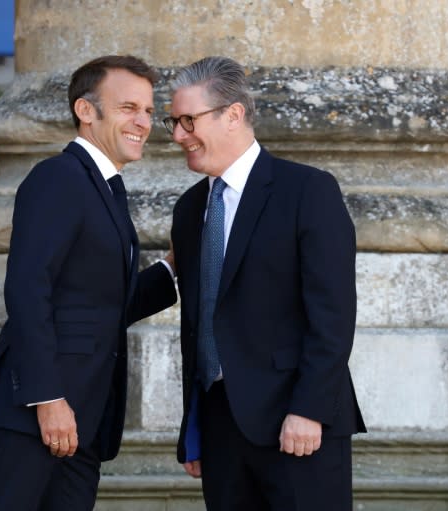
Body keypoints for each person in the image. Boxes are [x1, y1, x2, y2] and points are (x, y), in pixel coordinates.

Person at [0, 55, 177, 511]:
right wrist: (48, 397)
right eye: (128, 108)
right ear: (86, 110)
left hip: (84, 418)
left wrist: (173, 272)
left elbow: (100, 304)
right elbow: (27, 289)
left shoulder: (104, 189)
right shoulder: (58, 178)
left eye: (147, 111)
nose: (143, 122)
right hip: (39, 411)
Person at [164, 56, 366, 510]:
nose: (178, 135)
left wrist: (309, 409)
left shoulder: (307, 191)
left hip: (297, 424)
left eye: (188, 120)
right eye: (173, 122)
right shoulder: (189, 208)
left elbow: (332, 315)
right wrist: (194, 427)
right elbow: (198, 325)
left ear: (233, 114)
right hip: (220, 430)